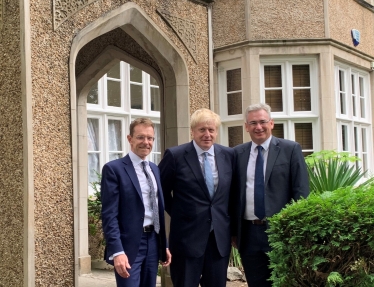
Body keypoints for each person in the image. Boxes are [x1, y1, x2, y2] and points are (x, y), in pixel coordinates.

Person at [231, 103, 310, 287]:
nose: (258, 127)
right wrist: (234, 232)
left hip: (279, 232)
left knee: (282, 282)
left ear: (271, 123)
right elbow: (233, 195)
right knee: (256, 282)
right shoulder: (237, 154)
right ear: (246, 126)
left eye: (262, 122)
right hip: (248, 233)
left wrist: (296, 231)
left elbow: (301, 192)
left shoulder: (290, 149)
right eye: (253, 123)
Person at [158, 108, 235, 287]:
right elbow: (160, 191)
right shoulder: (176, 156)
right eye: (202, 130)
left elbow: (232, 195)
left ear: (216, 132)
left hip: (218, 240)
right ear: (192, 131)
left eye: (211, 130)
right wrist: (179, 212)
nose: (207, 134)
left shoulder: (228, 155)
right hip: (186, 239)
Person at [101, 118, 171, 287]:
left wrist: (164, 245)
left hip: (153, 242)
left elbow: (157, 209)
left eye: (150, 138)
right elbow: (109, 215)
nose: (146, 142)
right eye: (140, 137)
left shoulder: (154, 169)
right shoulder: (114, 169)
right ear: (129, 139)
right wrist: (117, 251)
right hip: (129, 245)